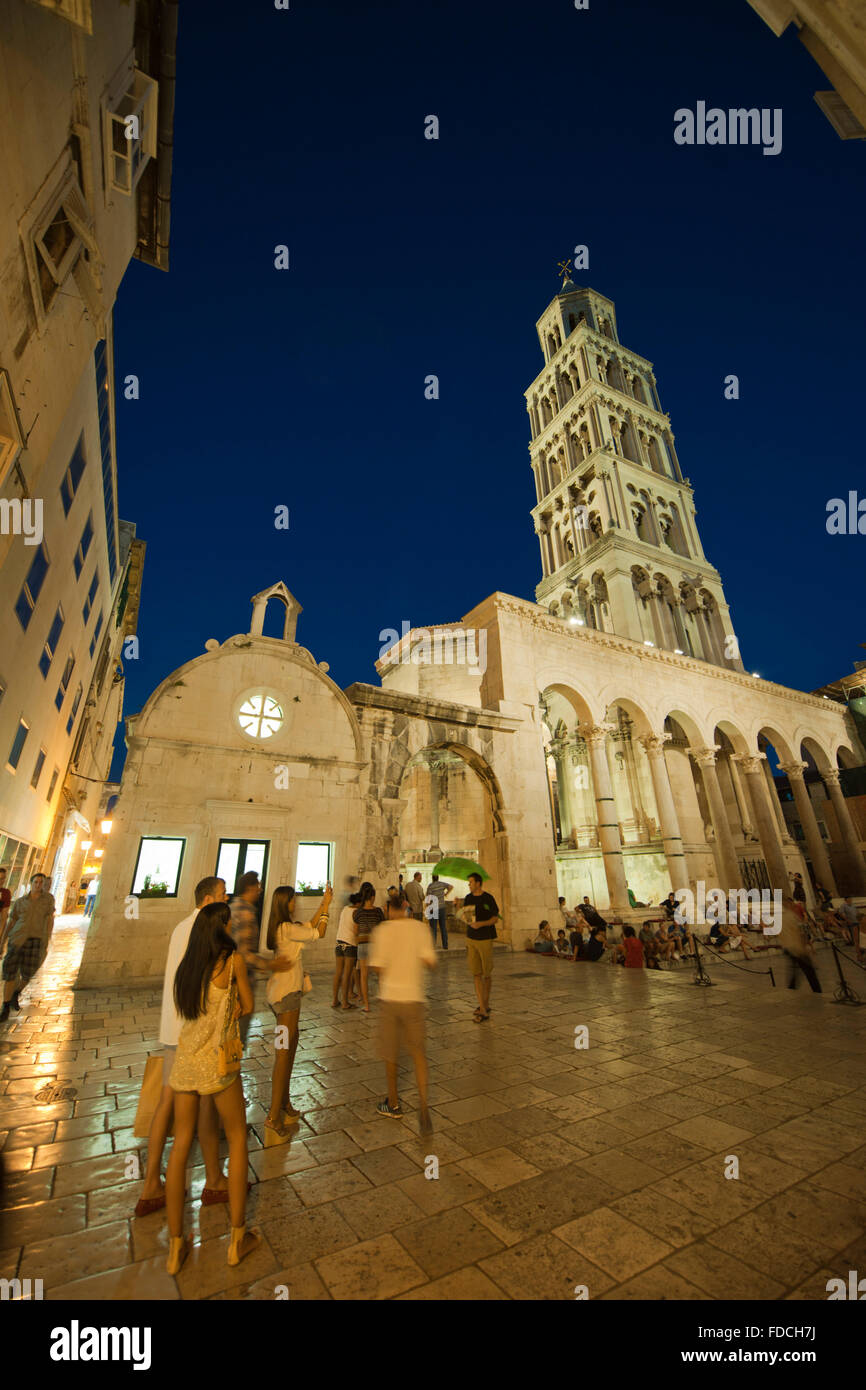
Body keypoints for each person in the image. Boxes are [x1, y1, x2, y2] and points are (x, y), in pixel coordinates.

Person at [165, 902, 259, 1274]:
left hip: (185, 1065)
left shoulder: (187, 966)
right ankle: (237, 1237)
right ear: (222, 927)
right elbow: (247, 1005)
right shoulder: (230, 960)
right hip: (218, 1066)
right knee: (236, 1139)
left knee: (180, 1147)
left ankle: (176, 1246)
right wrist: (230, 1009)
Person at [136, 876, 232, 1216]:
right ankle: (213, 1180)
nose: (226, 899)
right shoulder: (205, 932)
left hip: (172, 1027)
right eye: (222, 895)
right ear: (207, 899)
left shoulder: (180, 927)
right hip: (193, 1031)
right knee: (204, 1105)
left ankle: (150, 1183)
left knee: (166, 1103)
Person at [264, 883, 332, 1143]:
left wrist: (324, 903)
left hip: (285, 995)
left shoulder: (284, 928)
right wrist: (326, 910)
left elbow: (309, 927)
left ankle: (284, 1103)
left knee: (290, 1048)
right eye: (293, 899)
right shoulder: (287, 929)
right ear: (286, 902)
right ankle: (272, 1116)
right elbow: (320, 931)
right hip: (287, 997)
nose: (296, 902)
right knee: (283, 1054)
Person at [369, 891, 436, 1131]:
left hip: (390, 998)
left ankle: (394, 1103)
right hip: (414, 998)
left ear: (389, 909)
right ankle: (424, 1104)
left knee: (391, 1054)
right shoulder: (420, 929)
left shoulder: (383, 931)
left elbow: (376, 967)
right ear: (407, 907)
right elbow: (431, 962)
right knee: (418, 1054)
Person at [1, 873, 54, 1021]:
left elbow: (50, 919)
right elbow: (11, 921)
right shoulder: (20, 902)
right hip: (17, 938)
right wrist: (3, 941)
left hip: (36, 939)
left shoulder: (48, 900)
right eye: (36, 882)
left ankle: (16, 993)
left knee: (28, 973)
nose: (38, 885)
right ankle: (5, 1006)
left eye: (41, 882)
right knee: (10, 973)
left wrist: (48, 938)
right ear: (31, 883)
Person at [229, 871, 265, 1045]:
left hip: (231, 980)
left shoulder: (234, 906)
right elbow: (242, 954)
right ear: (250, 887)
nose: (260, 889)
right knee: (236, 1039)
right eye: (258, 886)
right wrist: (269, 963)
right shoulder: (245, 913)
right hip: (240, 982)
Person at [463, 872, 498, 1021]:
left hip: (485, 938)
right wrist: (460, 908)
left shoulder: (488, 898)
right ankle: (482, 1007)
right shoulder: (468, 898)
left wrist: (481, 924)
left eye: (471, 882)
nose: (469, 884)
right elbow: (467, 917)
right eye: (469, 882)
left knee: (486, 973)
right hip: (471, 938)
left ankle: (485, 1004)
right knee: (476, 973)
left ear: (478, 883)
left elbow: (495, 918)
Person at [353, 882, 384, 1012]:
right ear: (372, 897)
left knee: (363, 976)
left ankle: (366, 1005)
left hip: (362, 945)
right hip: (374, 945)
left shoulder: (357, 912)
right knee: (380, 975)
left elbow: (355, 931)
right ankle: (383, 999)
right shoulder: (378, 912)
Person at [332, 890, 359, 1009]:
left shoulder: (345, 909)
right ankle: (344, 1002)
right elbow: (356, 930)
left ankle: (334, 1000)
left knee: (338, 973)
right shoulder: (357, 912)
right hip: (350, 944)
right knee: (347, 974)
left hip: (339, 942)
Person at [426, 873, 452, 949]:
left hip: (433, 909)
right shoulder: (442, 884)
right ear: (438, 878)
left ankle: (433, 945)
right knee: (443, 927)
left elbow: (428, 900)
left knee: (433, 928)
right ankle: (445, 945)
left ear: (432, 878)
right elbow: (451, 887)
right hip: (442, 908)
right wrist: (446, 893)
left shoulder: (430, 886)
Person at [0, 868, 12, 953]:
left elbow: (4, 918)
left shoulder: (5, 893)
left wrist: (1, 936)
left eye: (3, 878)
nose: (1, 881)